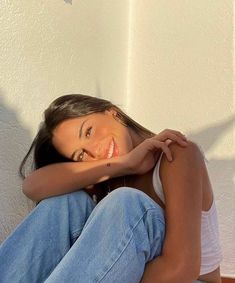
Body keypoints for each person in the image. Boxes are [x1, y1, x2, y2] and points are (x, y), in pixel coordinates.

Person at [0, 94, 222, 283]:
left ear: (112, 112)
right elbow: (32, 186)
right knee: (68, 203)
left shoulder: (176, 154)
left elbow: (182, 269)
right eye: (81, 156)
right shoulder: (106, 181)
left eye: (88, 132)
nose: (95, 151)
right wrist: (123, 164)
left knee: (126, 203)